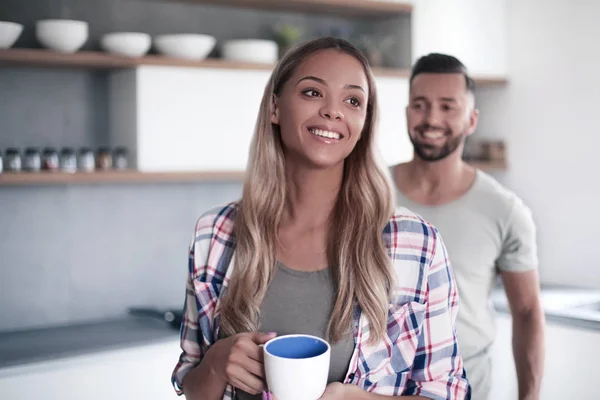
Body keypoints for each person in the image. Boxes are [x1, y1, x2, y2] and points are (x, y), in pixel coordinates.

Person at [171, 37, 470, 400]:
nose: (333, 111)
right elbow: (192, 382)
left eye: (353, 100)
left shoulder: (416, 244)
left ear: (364, 122)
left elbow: (448, 393)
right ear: (275, 108)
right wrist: (216, 363)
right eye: (312, 93)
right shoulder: (214, 236)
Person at [391, 53, 545, 400]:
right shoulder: (365, 193)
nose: (431, 118)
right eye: (420, 104)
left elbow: (527, 311)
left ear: (472, 119)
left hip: (470, 386)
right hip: (373, 388)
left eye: (448, 106)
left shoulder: (505, 210)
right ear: (406, 113)